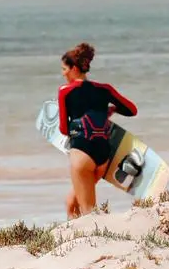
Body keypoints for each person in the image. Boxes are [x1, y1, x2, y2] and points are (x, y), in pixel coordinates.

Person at [57, 42, 138, 218]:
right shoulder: (104, 89)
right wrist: (111, 110)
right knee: (72, 203)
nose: (63, 73)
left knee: (87, 212)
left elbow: (63, 129)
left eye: (64, 69)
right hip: (103, 156)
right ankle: (83, 238)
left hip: (82, 155)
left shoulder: (65, 91)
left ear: (74, 69)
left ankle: (86, 242)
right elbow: (132, 110)